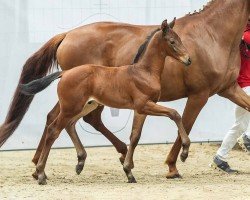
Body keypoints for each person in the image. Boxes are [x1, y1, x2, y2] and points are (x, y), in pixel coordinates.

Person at [211, 21, 250, 173]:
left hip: (242, 87)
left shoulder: (241, 35)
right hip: (246, 87)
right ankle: (247, 137)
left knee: (238, 125)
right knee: (241, 127)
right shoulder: (247, 36)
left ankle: (220, 158)